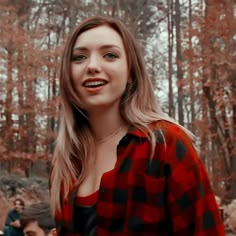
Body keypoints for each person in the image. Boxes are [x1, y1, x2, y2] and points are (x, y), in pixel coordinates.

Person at [49, 15, 225, 235]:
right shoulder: (65, 161)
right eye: (79, 57)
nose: (92, 66)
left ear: (130, 72)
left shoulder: (165, 145)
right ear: (68, 74)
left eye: (110, 55)